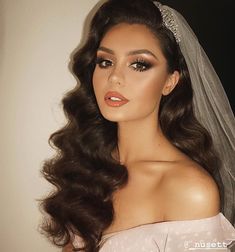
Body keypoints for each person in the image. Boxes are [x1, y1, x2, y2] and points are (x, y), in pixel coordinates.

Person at [40, 0, 235, 251]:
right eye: (105, 62)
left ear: (170, 82)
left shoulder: (190, 190)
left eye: (139, 64)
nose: (114, 77)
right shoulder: (89, 164)